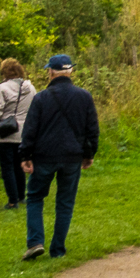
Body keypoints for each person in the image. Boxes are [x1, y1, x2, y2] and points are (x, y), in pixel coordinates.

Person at [17, 53, 99, 261]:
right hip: (72, 156)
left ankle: (35, 242)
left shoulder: (41, 98)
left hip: (44, 155)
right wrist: (89, 154)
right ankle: (58, 249)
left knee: (35, 197)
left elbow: (30, 130)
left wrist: (25, 154)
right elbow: (92, 129)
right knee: (65, 202)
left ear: (51, 72)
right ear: (71, 71)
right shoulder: (84, 96)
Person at [0, 59, 36, 210]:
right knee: (19, 164)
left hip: (6, 132)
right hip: (23, 131)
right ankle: (21, 196)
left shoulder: (2, 88)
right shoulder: (30, 88)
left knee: (7, 166)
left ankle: (12, 201)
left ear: (4, 72)